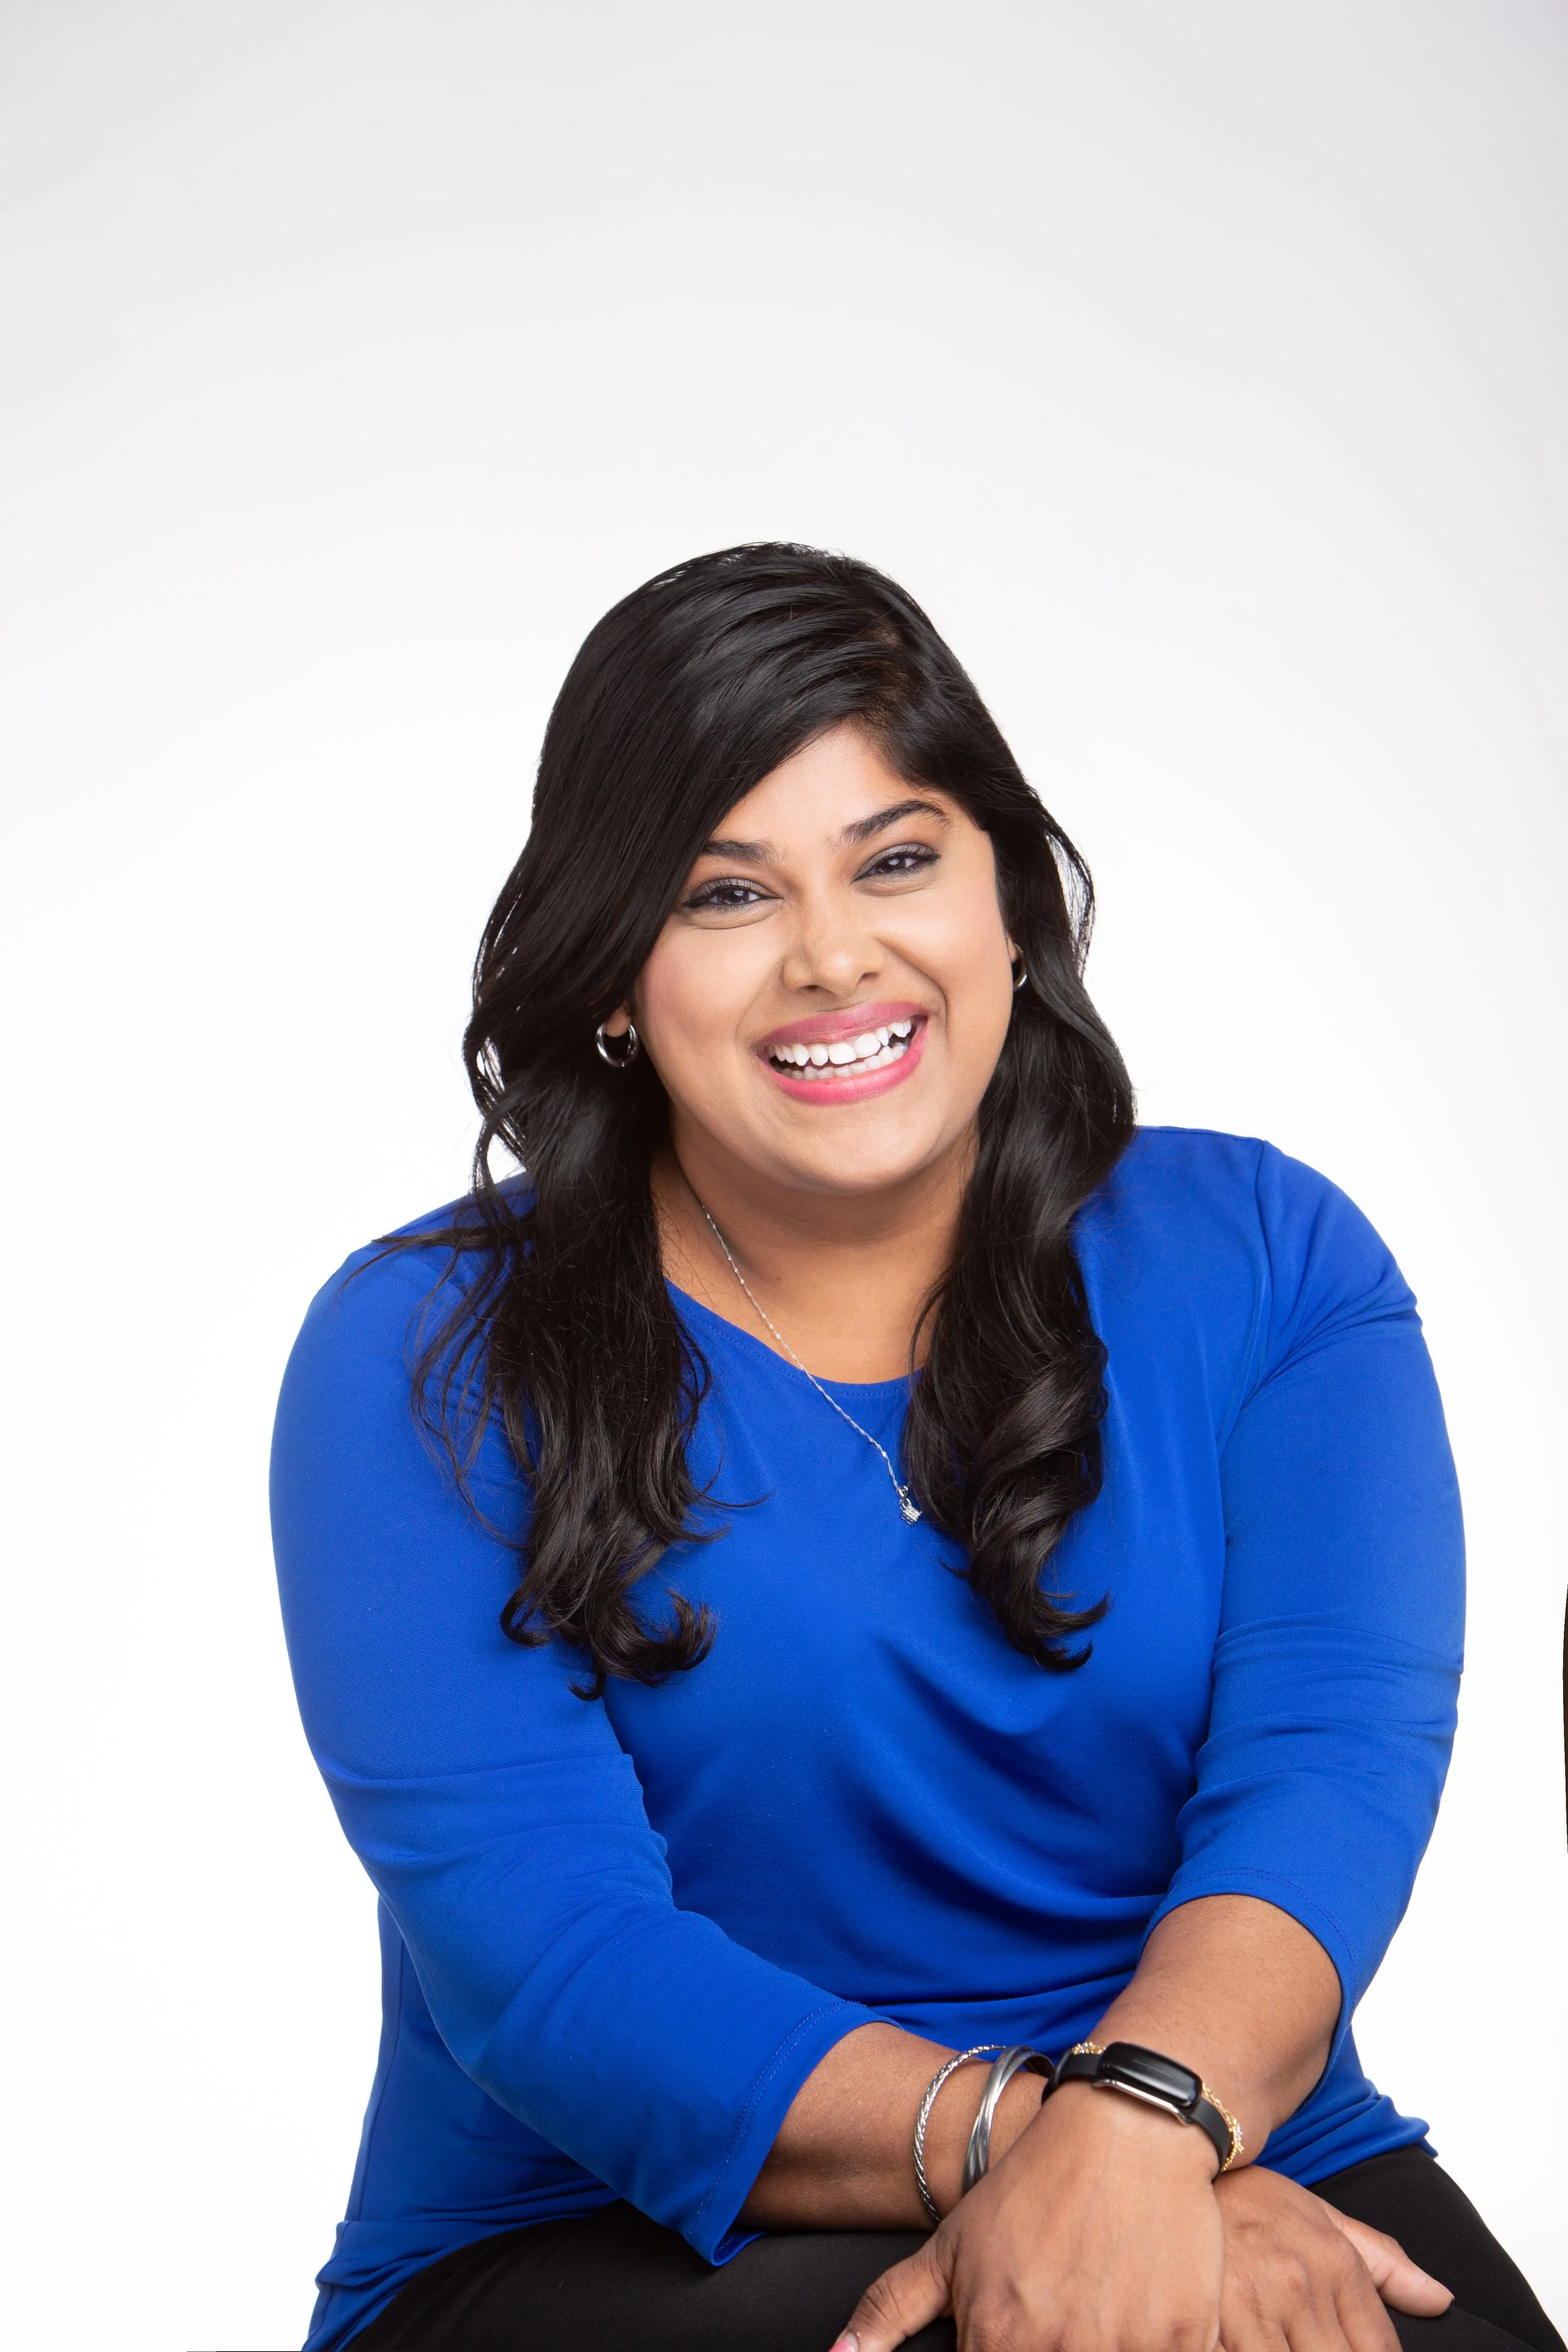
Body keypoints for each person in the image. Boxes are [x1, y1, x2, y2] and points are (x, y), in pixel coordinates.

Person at [270, 544, 1562, 2352]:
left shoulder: (1271, 1262)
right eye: (726, 893)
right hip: (610, 2217)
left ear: (1008, 902)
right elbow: (552, 1966)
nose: (831, 955)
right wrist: (1082, 2156)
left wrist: (1152, 2124)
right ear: (614, 976)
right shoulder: (423, 1352)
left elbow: (1329, 1778)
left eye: (895, 860)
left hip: (1233, 2119)